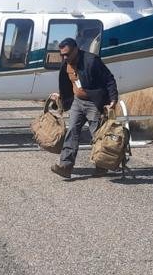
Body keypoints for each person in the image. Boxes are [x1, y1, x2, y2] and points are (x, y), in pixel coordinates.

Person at [48, 37, 118, 180]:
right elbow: (69, 82)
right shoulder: (66, 62)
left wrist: (113, 99)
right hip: (77, 102)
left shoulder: (92, 61)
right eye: (62, 55)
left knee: (98, 136)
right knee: (72, 131)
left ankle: (101, 166)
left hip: (94, 103)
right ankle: (65, 166)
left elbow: (109, 79)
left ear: (76, 50)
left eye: (67, 54)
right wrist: (61, 95)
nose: (64, 57)